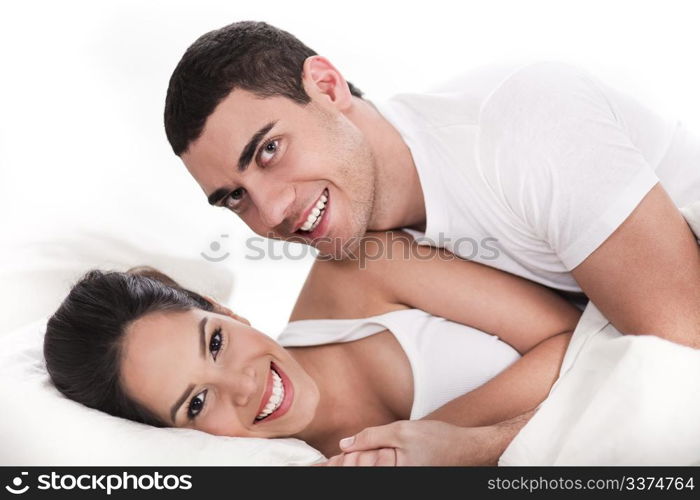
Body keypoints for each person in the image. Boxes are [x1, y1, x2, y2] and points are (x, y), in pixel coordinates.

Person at [163, 20, 700, 353]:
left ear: (326, 87)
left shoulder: (522, 122)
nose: (272, 209)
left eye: (270, 150)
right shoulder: (368, 263)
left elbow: (679, 360)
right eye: (234, 196)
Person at [43, 231, 580, 464]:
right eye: (197, 403)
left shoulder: (357, 269)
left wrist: (435, 441)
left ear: (223, 308)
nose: (244, 385)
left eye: (216, 342)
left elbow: (574, 336)